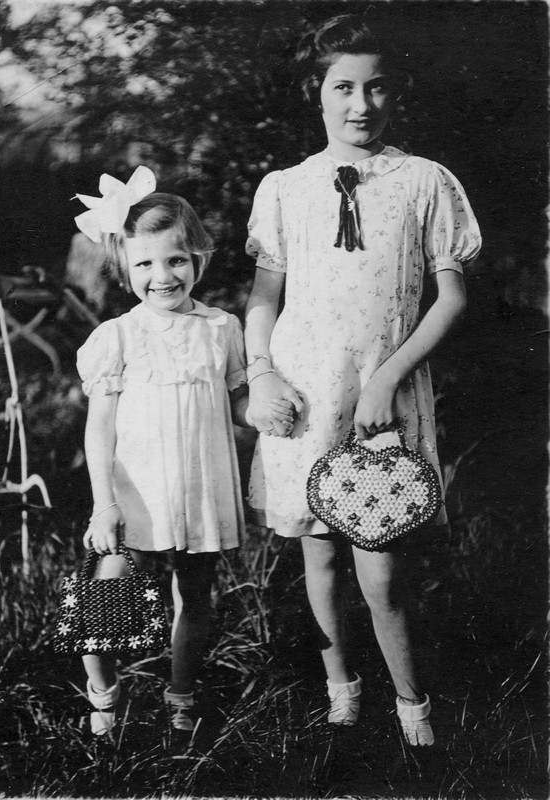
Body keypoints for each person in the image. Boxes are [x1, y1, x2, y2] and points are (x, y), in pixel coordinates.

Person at [244, 15, 481, 746]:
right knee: (317, 554)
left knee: (380, 570)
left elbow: (453, 298)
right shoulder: (285, 188)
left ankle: (416, 718)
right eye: (343, 86)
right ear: (314, 93)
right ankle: (340, 696)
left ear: (394, 92)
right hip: (306, 393)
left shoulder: (424, 181)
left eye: (376, 87)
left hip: (382, 397)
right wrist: (260, 376)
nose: (361, 104)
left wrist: (388, 378)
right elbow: (263, 299)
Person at [73, 167, 294, 737]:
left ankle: (181, 696)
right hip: (134, 491)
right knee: (106, 590)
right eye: (144, 263)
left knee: (193, 593)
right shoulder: (117, 337)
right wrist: (104, 504)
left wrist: (271, 407)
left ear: (198, 259)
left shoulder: (221, 328)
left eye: (175, 260)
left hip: (200, 485)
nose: (162, 275)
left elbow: (243, 401)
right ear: (124, 269)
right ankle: (103, 697)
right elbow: (99, 429)